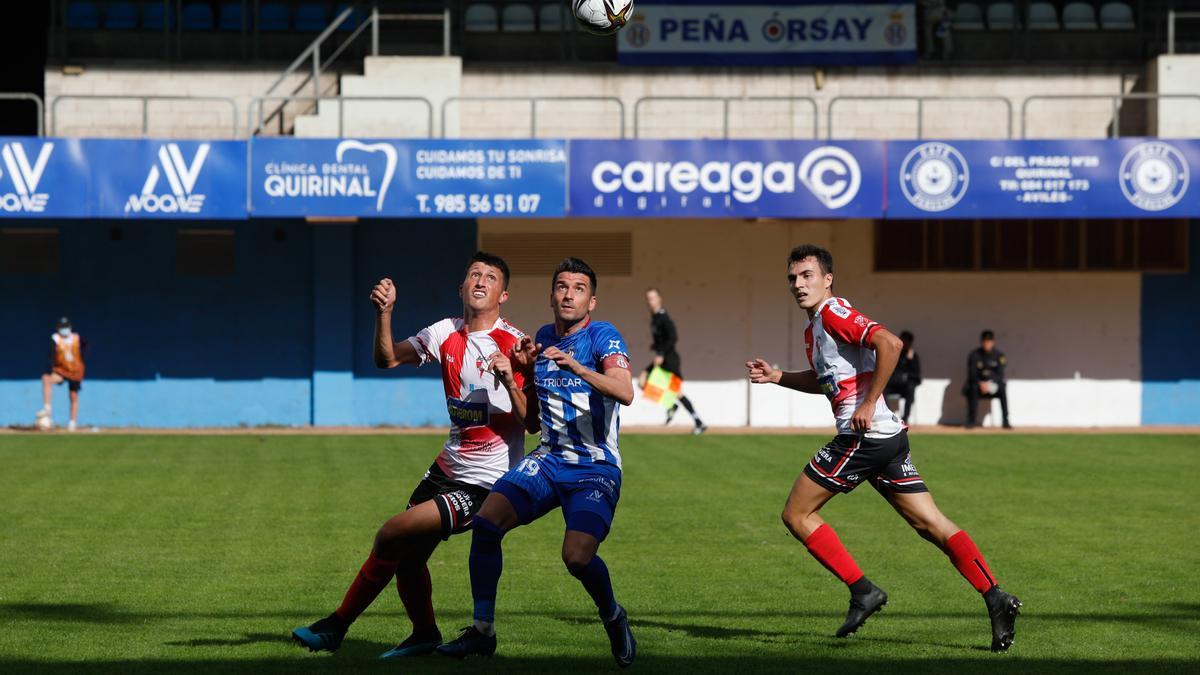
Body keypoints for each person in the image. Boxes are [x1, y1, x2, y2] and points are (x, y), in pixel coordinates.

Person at [745, 244, 1021, 652]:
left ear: (827, 279)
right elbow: (825, 380)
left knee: (797, 513)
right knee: (931, 524)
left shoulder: (834, 313)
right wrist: (778, 376)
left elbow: (889, 344)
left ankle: (863, 592)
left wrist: (870, 402)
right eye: (793, 278)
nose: (799, 284)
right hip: (885, 438)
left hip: (865, 437)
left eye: (807, 275)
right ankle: (996, 597)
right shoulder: (815, 327)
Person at [291, 252, 532, 659]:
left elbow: (531, 421)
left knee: (391, 532)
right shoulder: (444, 331)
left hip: (485, 482)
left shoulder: (514, 343)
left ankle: (336, 626)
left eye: (490, 278)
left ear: (502, 294)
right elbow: (386, 358)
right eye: (473, 274)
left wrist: (510, 379)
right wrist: (384, 313)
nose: (480, 281)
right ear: (461, 287)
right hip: (446, 467)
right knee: (405, 557)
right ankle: (424, 633)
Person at [437, 257, 637, 667]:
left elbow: (625, 391)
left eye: (578, 288)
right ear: (551, 296)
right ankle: (482, 631)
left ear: (592, 301)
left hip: (594, 467)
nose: (568, 294)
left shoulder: (603, 336)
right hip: (548, 459)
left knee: (577, 558)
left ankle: (613, 616)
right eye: (562, 286)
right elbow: (530, 423)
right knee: (487, 523)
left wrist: (579, 366)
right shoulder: (542, 339)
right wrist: (514, 376)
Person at [637, 287, 706, 434]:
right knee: (642, 381)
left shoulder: (663, 316)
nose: (651, 301)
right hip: (661, 359)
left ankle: (698, 422)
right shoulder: (655, 317)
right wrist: (655, 346)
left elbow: (673, 337)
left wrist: (661, 352)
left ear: (660, 299)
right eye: (648, 298)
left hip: (670, 360)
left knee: (678, 392)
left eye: (654, 298)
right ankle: (671, 406)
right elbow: (662, 338)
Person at [37, 316, 86, 432]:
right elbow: (51, 355)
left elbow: (85, 350)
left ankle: (72, 423)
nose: (64, 329)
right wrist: (50, 369)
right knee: (46, 379)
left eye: (66, 326)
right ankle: (47, 408)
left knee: (73, 395)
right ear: (58, 328)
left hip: (75, 372)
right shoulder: (55, 339)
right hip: (61, 370)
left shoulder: (76, 338)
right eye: (62, 327)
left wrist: (81, 366)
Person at [964, 330, 1011, 429]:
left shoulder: (999, 356)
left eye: (989, 341)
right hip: (978, 385)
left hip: (992, 385)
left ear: (993, 342)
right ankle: (971, 421)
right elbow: (972, 374)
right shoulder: (974, 355)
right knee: (972, 388)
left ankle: (1005, 421)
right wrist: (981, 383)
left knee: (1002, 387)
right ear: (981, 342)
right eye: (985, 341)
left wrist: (989, 383)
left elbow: (1000, 374)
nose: (987, 343)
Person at [884, 330, 921, 424]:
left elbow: (916, 374)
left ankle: (905, 418)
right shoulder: (894, 352)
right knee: (881, 389)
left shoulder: (913, 356)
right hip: (893, 384)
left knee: (910, 389)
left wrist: (910, 360)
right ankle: (887, 416)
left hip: (905, 386)